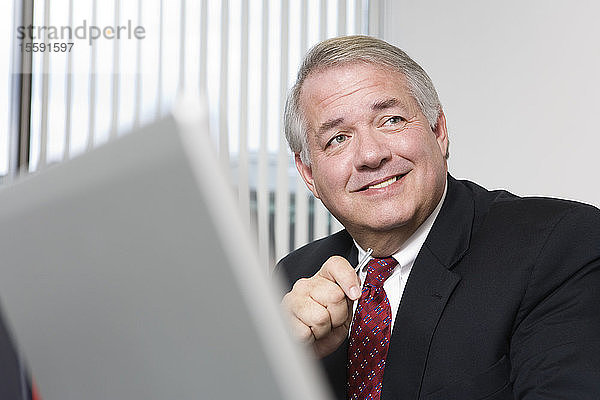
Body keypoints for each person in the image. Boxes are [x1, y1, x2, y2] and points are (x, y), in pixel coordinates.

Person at [275, 35, 600, 400]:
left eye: (391, 119)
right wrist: (279, 368)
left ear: (438, 131)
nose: (370, 154)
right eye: (337, 139)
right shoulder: (291, 280)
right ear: (308, 174)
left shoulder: (561, 245)